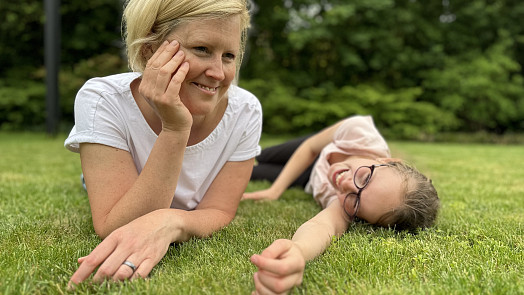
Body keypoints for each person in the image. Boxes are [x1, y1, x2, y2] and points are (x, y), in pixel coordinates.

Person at [64, 0, 261, 287]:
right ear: (150, 50)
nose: (218, 73)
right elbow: (115, 225)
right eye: (202, 49)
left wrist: (171, 222)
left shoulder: (246, 111)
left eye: (228, 55)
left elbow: (219, 210)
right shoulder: (102, 100)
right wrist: (175, 128)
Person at [243, 115, 440, 294]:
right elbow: (311, 147)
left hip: (309, 176)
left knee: (249, 170)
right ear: (386, 160)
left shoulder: (345, 206)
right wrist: (274, 191)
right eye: (365, 177)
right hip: (316, 149)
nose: (345, 185)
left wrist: (299, 250)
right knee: (257, 154)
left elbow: (322, 226)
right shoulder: (358, 132)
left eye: (356, 201)